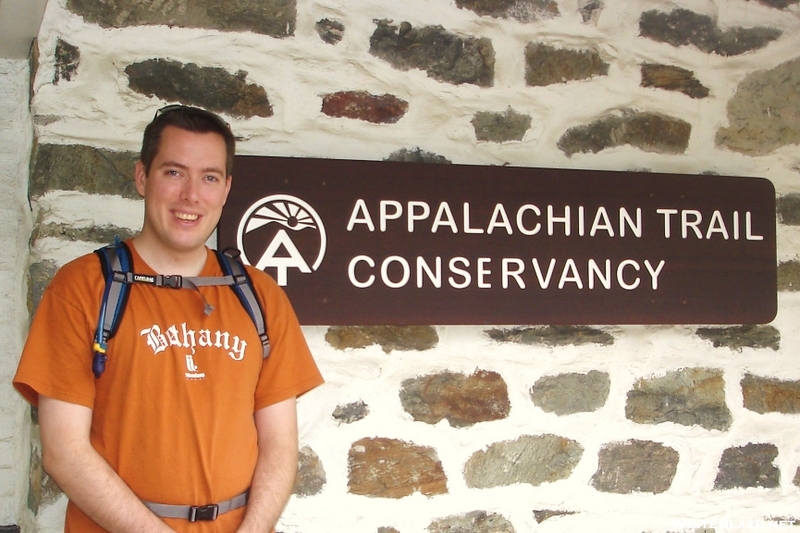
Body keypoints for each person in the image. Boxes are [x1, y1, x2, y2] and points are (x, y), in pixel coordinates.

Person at [13, 105, 324, 532]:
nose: (191, 196)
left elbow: (280, 444)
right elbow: (64, 451)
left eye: (209, 177)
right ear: (143, 177)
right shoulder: (84, 288)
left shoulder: (260, 296)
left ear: (226, 189)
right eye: (174, 172)